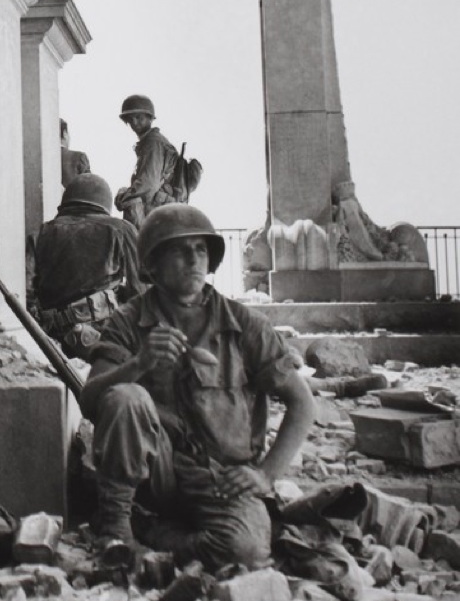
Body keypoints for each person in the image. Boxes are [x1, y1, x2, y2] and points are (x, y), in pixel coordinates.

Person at [79, 205, 315, 571]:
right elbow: (90, 399)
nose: (193, 259)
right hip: (155, 473)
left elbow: (301, 403)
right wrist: (138, 363)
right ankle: (116, 529)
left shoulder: (244, 324)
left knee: (247, 551)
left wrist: (265, 474)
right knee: (126, 396)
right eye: (179, 249)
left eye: (201, 249)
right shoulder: (128, 320)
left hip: (221, 477)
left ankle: (154, 536)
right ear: (153, 265)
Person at [32, 173, 141, 362]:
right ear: (104, 204)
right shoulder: (121, 229)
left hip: (51, 340)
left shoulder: (41, 232)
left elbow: (27, 294)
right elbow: (141, 291)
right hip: (103, 336)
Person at [114, 95, 184, 228]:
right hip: (162, 212)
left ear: (149, 118)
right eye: (130, 118)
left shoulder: (153, 142)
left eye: (139, 117)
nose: (134, 122)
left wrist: (123, 197)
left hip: (157, 213)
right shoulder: (151, 141)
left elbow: (148, 184)